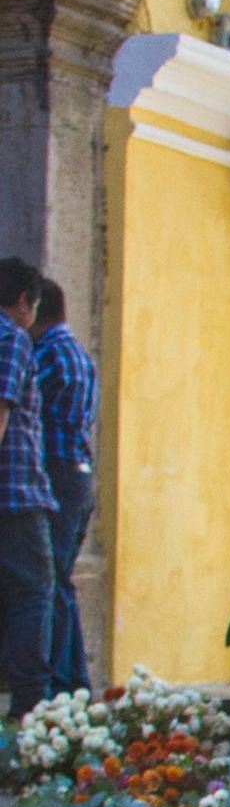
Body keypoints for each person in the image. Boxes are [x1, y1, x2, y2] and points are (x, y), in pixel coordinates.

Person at [31, 279, 97, 694]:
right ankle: (72, 680)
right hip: (75, 474)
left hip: (59, 476)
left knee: (49, 580)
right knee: (59, 581)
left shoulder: (51, 352)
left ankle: (59, 681)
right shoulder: (74, 351)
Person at [0, 259, 55, 719]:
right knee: (33, 594)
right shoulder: (11, 338)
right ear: (23, 302)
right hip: (15, 494)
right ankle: (29, 712)